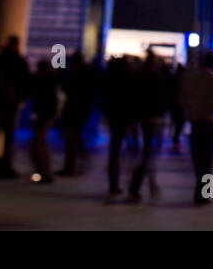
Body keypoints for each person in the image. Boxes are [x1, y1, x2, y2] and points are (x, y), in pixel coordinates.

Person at [179, 51, 213, 204]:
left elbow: (183, 99)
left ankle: (199, 189)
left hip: (195, 121)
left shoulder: (191, 78)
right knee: (208, 159)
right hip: (209, 121)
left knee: (197, 158)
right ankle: (206, 193)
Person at [128, 50, 170, 201]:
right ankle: (142, 185)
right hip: (153, 120)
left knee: (146, 154)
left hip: (142, 119)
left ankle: (146, 184)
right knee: (148, 154)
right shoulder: (156, 78)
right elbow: (162, 99)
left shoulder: (139, 77)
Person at [0, 36, 31, 178]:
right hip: (4, 103)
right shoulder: (14, 61)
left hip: (4, 103)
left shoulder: (5, 60)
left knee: (2, 133)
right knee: (5, 134)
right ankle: (2, 163)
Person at [101, 55, 139, 196]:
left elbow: (105, 99)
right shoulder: (131, 79)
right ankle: (132, 186)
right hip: (128, 119)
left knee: (114, 152)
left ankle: (114, 183)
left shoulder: (110, 79)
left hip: (115, 118)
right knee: (132, 153)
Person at [57, 52, 94, 177]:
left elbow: (66, 88)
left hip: (74, 110)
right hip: (79, 110)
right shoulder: (86, 74)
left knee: (72, 139)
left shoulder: (77, 75)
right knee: (73, 139)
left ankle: (71, 166)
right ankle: (72, 165)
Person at [28, 60, 59, 184]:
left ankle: (44, 171)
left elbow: (45, 101)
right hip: (44, 115)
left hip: (44, 116)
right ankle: (44, 171)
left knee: (39, 143)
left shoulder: (46, 82)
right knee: (41, 143)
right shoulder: (49, 81)